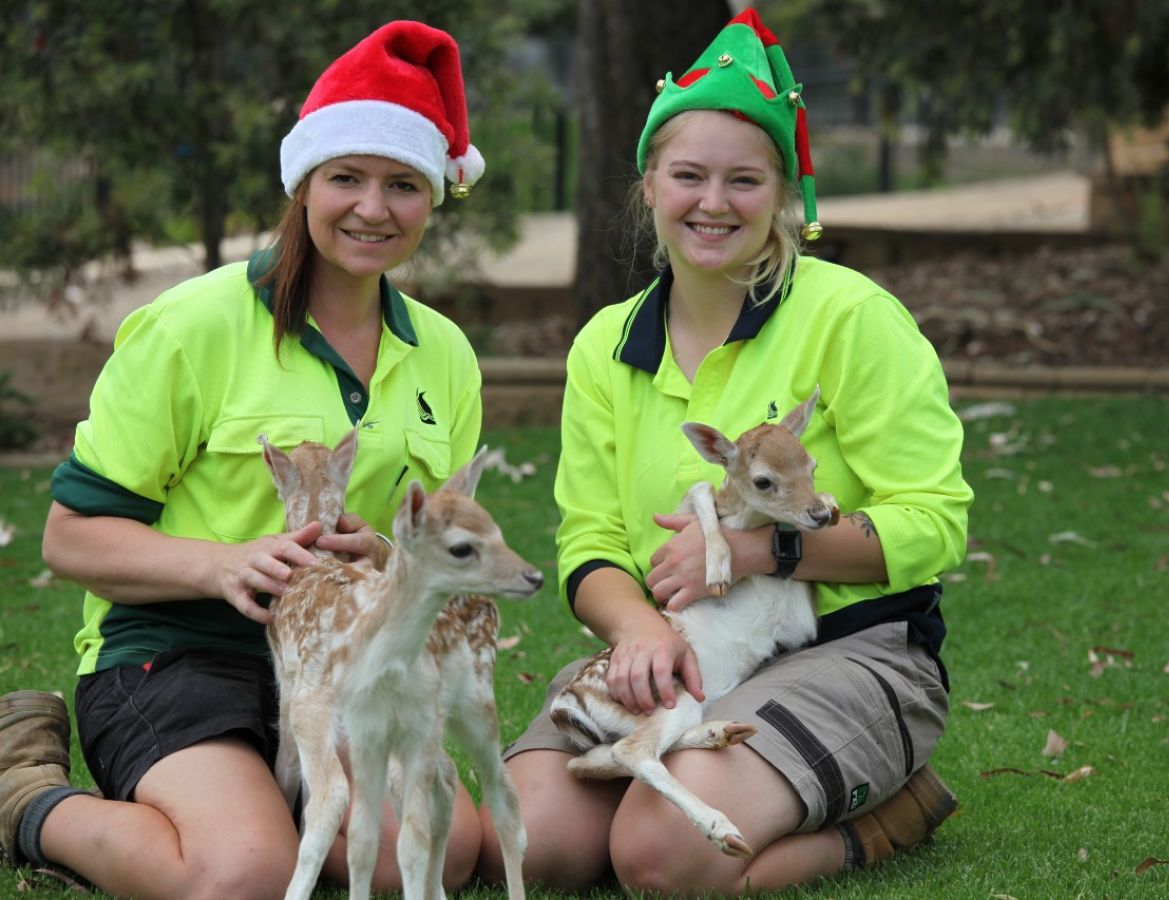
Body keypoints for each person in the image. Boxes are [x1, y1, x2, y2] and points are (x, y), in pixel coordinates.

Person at [476, 8, 973, 895]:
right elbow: (587, 541)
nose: (713, 203)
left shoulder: (852, 316)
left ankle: (886, 816)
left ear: (781, 194)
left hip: (849, 647)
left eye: (744, 180)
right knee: (531, 845)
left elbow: (935, 525)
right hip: (682, 645)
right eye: (689, 176)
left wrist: (763, 547)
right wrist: (636, 632)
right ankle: (737, 782)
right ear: (648, 185)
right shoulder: (603, 344)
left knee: (660, 856)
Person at [0, 20, 490, 898]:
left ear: (434, 198)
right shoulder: (193, 325)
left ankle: (261, 794)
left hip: (344, 657)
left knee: (439, 852)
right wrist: (223, 563)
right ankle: (28, 798)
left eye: (403, 185)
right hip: (172, 651)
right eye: (347, 178)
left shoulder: (445, 355)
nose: (372, 209)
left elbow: (433, 547)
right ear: (303, 182)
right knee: (243, 873)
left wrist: (386, 558)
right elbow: (70, 538)